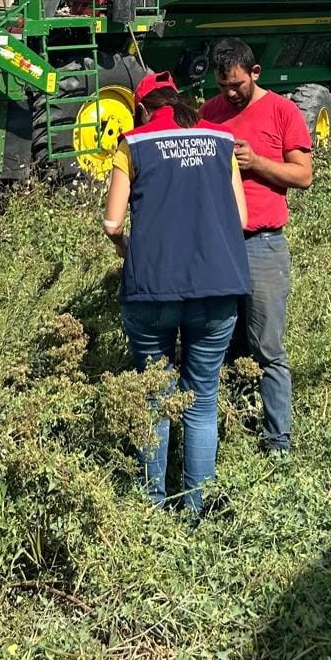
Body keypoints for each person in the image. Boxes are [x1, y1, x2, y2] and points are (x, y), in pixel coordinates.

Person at [103, 69, 249, 516]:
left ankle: (152, 504)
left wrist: (131, 250)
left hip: (152, 290)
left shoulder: (133, 143)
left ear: (143, 107)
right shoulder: (221, 140)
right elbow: (241, 220)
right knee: (203, 398)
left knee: (156, 396)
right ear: (180, 99)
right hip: (217, 287)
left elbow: (111, 223)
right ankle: (197, 507)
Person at [199, 38, 312, 457]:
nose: (229, 93)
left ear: (255, 73)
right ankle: (232, 425)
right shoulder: (210, 113)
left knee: (266, 346)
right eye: (222, 85)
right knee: (223, 342)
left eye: (237, 85)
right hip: (219, 245)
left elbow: (302, 177)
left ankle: (278, 438)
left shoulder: (283, 111)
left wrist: (256, 162)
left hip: (263, 244)